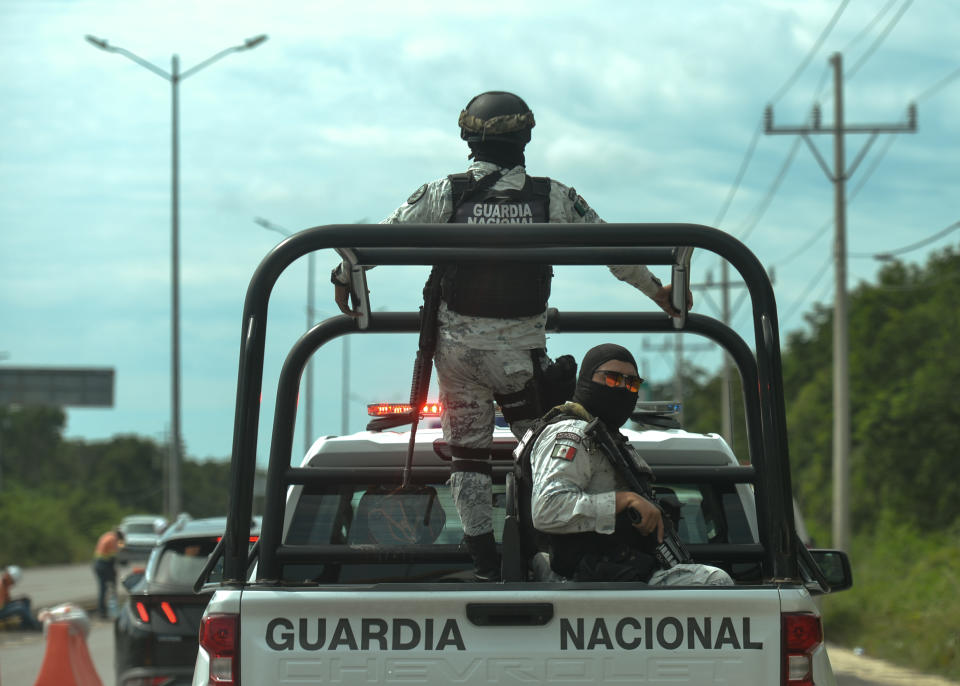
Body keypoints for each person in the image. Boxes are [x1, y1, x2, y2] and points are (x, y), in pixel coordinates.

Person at [332, 91, 690, 581]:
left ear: (467, 139)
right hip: (520, 358)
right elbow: (613, 247)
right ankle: (545, 552)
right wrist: (660, 292)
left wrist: (344, 276)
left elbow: (377, 240)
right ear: (525, 137)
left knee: (469, 456)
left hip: (456, 357)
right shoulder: (554, 197)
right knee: (544, 450)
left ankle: (485, 561)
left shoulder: (443, 193)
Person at [526, 343, 732, 585]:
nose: (623, 388)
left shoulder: (608, 438)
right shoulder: (572, 434)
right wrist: (625, 501)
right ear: (586, 379)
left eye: (632, 383)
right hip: (585, 576)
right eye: (613, 379)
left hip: (623, 571)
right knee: (714, 581)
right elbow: (548, 509)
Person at [92, 527, 125, 618]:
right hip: (105, 565)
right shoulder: (113, 539)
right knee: (111, 588)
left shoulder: (107, 535)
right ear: (120, 536)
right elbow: (115, 555)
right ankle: (109, 611)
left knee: (103, 589)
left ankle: (102, 612)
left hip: (97, 563)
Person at [0, 565, 42, 630]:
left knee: (25, 600)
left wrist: (16, 601)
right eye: (12, 582)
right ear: (10, 578)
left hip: (3, 606)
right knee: (20, 608)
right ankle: (35, 625)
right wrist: (16, 604)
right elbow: (2, 605)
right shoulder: (1, 586)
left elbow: (6, 601)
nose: (12, 584)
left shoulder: (5, 584)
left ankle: (26, 623)